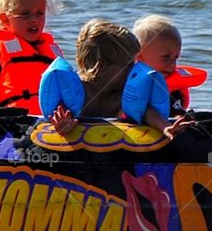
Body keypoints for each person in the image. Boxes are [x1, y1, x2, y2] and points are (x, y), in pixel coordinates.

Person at [40, 19, 191, 140]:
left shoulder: (122, 93)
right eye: (129, 64)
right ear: (102, 67)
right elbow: (60, 115)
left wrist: (165, 127)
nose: (135, 70)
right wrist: (62, 124)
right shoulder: (72, 90)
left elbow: (146, 111)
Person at [132, 14, 208, 111]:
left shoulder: (176, 86)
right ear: (140, 56)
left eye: (176, 57)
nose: (173, 64)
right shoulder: (130, 82)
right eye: (166, 57)